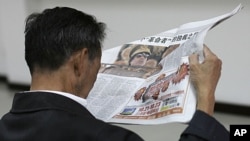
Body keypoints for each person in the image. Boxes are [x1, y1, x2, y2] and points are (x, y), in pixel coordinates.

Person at [0, 7, 229, 141]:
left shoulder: (5, 127)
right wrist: (206, 100)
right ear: (80, 63)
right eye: (97, 65)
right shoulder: (106, 137)